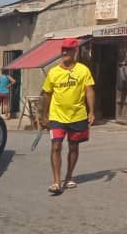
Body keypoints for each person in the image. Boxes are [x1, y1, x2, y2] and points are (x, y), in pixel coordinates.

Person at [39, 38, 95, 195]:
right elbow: (47, 95)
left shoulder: (83, 70)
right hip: (57, 117)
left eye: (68, 50)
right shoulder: (53, 72)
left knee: (73, 147)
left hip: (78, 116)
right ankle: (56, 182)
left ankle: (69, 176)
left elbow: (89, 91)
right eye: (62, 49)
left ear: (74, 51)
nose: (64, 52)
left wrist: (91, 111)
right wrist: (44, 116)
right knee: (56, 146)